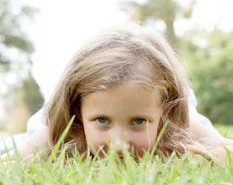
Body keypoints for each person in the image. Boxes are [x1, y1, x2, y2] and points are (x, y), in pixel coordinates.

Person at [1, 23, 233, 162]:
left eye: (138, 122)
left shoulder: (178, 124)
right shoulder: (64, 130)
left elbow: (226, 152)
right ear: (78, 112)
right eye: (102, 121)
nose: (119, 142)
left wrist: (207, 156)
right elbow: (9, 163)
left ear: (164, 113)